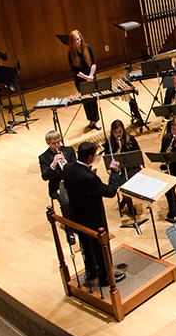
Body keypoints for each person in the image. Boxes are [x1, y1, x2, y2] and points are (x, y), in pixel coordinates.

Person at [63, 141, 125, 285]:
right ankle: (105, 278)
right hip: (93, 218)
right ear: (90, 157)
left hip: (77, 216)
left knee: (85, 244)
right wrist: (114, 173)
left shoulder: (68, 168)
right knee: (100, 248)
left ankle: (91, 271)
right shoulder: (90, 178)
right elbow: (110, 192)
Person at [38, 130, 77, 244]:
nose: (57, 145)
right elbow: (45, 176)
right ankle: (69, 231)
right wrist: (53, 165)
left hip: (72, 183)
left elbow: (76, 166)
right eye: (53, 143)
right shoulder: (43, 157)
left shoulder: (69, 150)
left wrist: (68, 165)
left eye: (58, 142)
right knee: (66, 201)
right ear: (48, 143)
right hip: (58, 187)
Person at [101, 119, 141, 215]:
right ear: (112, 132)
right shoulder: (109, 143)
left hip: (132, 168)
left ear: (123, 130)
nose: (118, 134)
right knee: (123, 183)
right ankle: (129, 205)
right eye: (115, 132)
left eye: (120, 132)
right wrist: (109, 170)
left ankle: (124, 200)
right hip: (119, 170)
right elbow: (107, 159)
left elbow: (137, 155)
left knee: (132, 181)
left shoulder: (130, 139)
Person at [67, 29, 100, 130]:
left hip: (91, 77)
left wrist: (91, 75)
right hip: (80, 80)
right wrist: (86, 78)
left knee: (93, 99)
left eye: (78, 39)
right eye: (75, 40)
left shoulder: (88, 48)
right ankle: (90, 120)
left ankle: (96, 121)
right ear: (72, 42)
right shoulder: (71, 53)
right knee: (86, 100)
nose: (77, 42)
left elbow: (93, 63)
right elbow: (75, 70)